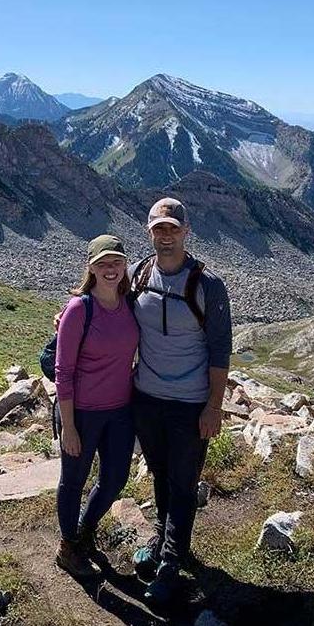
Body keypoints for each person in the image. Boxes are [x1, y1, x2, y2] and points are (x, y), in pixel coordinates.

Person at [129, 197, 232, 605]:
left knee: (183, 482)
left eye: (173, 227)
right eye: (159, 228)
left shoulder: (208, 286)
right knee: (159, 473)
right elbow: (105, 306)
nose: (166, 234)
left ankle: (171, 563)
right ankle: (162, 537)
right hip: (147, 398)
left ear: (186, 231)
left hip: (190, 403)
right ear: (149, 231)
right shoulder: (137, 274)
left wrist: (214, 406)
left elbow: (220, 349)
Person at [54, 234, 140, 579]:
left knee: (116, 478)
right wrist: (69, 426)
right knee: (73, 480)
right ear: (90, 267)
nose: (111, 269)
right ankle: (68, 547)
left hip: (120, 409)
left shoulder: (129, 302)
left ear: (125, 265)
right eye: (103, 263)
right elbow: (63, 371)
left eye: (117, 262)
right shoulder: (79, 309)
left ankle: (84, 531)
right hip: (83, 411)